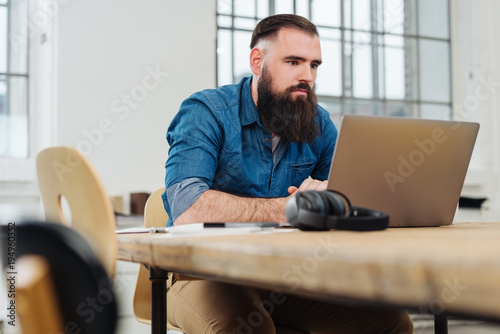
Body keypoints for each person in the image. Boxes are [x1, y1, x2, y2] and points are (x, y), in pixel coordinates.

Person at [162, 13, 413, 334]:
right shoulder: (206, 111)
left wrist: (331, 201)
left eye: (314, 65)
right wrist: (292, 208)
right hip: (198, 273)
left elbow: (341, 202)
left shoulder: (319, 123)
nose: (307, 75)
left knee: (392, 324)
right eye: (293, 62)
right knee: (246, 328)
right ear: (257, 61)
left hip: (281, 275)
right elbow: (188, 208)